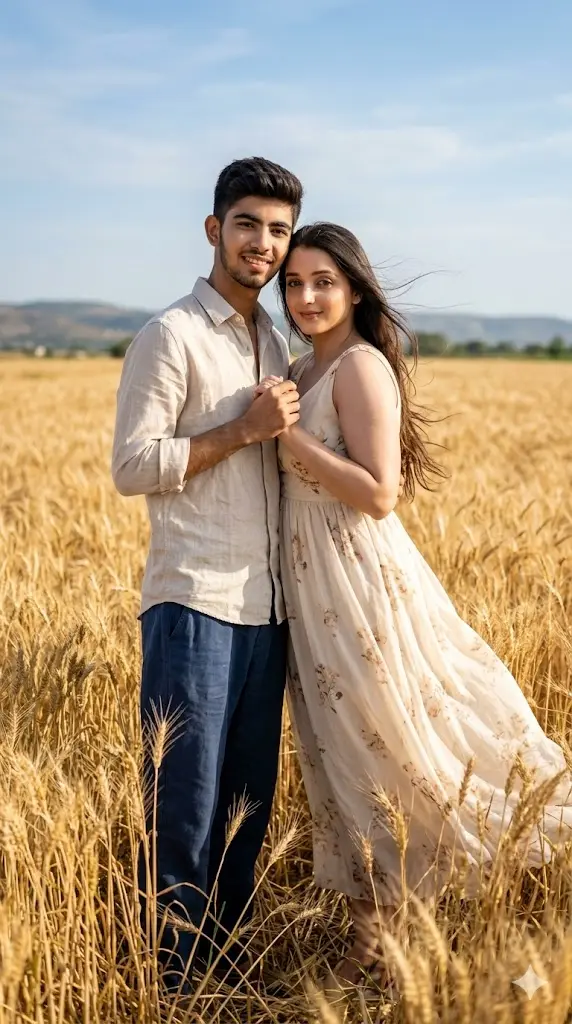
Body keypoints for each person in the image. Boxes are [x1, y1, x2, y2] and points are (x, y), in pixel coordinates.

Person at [265, 221, 572, 986]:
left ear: (355, 288)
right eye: (294, 283)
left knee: (392, 751)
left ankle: (374, 951)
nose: (305, 296)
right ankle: (384, 945)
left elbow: (378, 493)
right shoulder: (303, 369)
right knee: (349, 760)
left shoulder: (361, 369)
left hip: (357, 584)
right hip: (312, 585)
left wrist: (288, 441)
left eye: (323, 282)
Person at [111, 157, 304, 988]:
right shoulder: (171, 335)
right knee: (184, 802)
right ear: (214, 229)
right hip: (194, 598)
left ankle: (225, 968)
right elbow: (131, 465)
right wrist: (241, 429)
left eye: (280, 230)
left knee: (246, 805)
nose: (264, 244)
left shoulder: (279, 339)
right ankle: (172, 980)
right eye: (250, 224)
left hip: (267, 608)